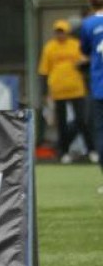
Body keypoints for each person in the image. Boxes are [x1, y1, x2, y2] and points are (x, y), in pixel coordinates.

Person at [39, 19, 95, 164]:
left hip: (76, 89)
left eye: (62, 31)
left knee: (82, 120)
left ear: (67, 32)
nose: (60, 34)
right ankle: (64, 152)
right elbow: (44, 71)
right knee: (62, 123)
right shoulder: (49, 48)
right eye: (58, 32)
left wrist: (83, 64)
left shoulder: (76, 45)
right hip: (58, 90)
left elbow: (86, 63)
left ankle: (91, 150)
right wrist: (45, 92)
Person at [79, 0, 103, 193]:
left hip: (100, 87)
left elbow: (85, 51)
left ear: (90, 3)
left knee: (100, 133)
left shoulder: (88, 24)